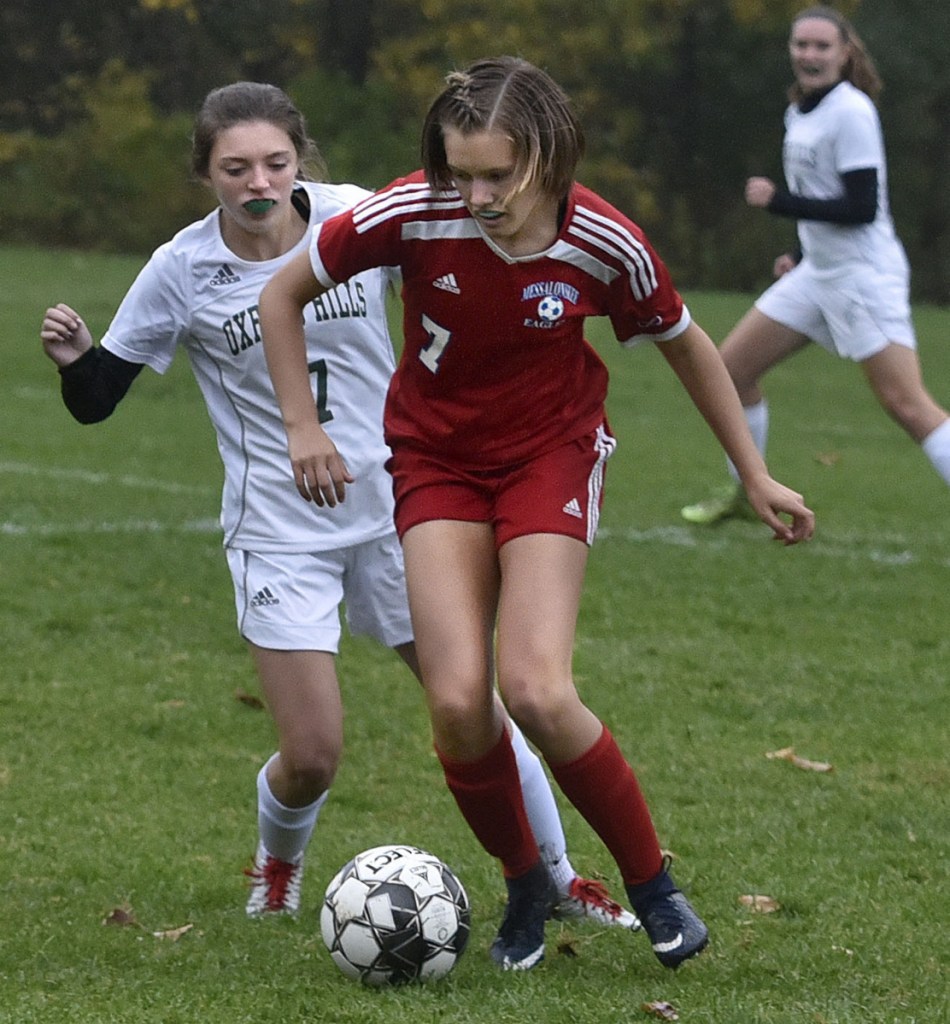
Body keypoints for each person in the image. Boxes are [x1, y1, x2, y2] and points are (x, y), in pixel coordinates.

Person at [39, 81, 639, 930]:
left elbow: (468, 257)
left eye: (275, 163)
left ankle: (559, 876)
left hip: (403, 509)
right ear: (205, 174)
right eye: (235, 167)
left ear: (300, 161)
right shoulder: (181, 268)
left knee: (476, 705)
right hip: (280, 534)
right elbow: (99, 398)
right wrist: (75, 361)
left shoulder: (357, 217)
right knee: (313, 755)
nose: (257, 183)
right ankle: (277, 868)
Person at [258, 56, 815, 971]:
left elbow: (687, 344)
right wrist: (302, 427)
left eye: (496, 175)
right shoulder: (413, 208)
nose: (474, 195)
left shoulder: (604, 242)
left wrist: (751, 473)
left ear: (548, 157)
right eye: (459, 172)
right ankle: (526, 884)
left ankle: (654, 889)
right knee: (456, 703)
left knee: (539, 689)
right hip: (435, 460)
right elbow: (284, 292)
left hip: (548, 456)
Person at [682, 5, 950, 525]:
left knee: (908, 405)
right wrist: (802, 254)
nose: (809, 54)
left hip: (861, 278)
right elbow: (824, 197)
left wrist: (777, 201)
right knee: (730, 370)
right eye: (801, 45)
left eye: (821, 46)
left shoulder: (852, 111)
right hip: (818, 274)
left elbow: (861, 206)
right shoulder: (800, 109)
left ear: (844, 53)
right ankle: (746, 492)